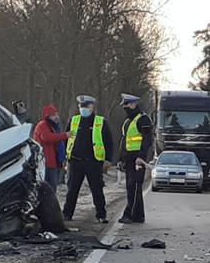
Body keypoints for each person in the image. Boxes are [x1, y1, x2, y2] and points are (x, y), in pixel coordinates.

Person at [62, 94, 111, 223]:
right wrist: (64, 157)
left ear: (92, 107)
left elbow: (108, 142)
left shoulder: (100, 122)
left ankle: (101, 215)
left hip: (93, 162)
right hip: (75, 161)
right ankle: (67, 214)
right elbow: (65, 140)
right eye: (81, 106)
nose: (83, 108)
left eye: (86, 106)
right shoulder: (73, 120)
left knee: (97, 189)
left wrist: (108, 159)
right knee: (72, 190)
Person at [118, 93, 153, 223]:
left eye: (126, 104)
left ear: (133, 104)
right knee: (131, 186)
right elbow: (124, 141)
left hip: (138, 159)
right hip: (129, 158)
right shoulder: (128, 122)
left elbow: (147, 140)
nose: (125, 107)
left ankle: (130, 214)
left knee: (134, 186)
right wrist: (121, 159)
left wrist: (141, 156)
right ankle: (138, 215)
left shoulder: (143, 119)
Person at [31, 103, 67, 192]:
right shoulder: (42, 125)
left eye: (57, 114)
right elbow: (47, 137)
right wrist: (64, 135)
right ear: (48, 116)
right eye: (54, 115)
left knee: (52, 188)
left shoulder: (53, 126)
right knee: (48, 189)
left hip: (54, 162)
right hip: (45, 163)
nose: (56, 117)